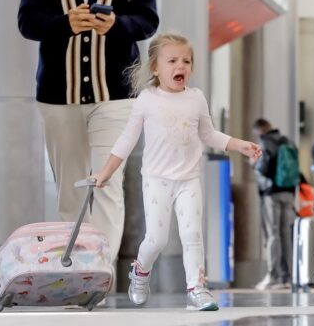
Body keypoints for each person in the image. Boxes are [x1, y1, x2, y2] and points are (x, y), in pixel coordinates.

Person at [18, 0, 158, 265]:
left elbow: (148, 19)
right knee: (71, 191)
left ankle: (100, 272)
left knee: (108, 185)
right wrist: (66, 22)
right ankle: (75, 271)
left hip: (116, 95)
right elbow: (27, 22)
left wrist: (116, 26)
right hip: (58, 97)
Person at [91, 33, 262, 310]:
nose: (180, 66)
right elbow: (126, 140)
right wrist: (105, 172)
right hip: (157, 180)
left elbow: (209, 134)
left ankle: (196, 288)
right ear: (156, 68)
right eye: (172, 60)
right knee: (156, 240)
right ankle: (140, 271)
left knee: (192, 235)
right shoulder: (146, 99)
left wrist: (238, 145)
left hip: (188, 180)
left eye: (186, 61)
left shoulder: (196, 98)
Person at [252, 119, 298, 290]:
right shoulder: (287, 141)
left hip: (271, 193)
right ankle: (289, 276)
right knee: (286, 233)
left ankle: (273, 275)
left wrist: (253, 164)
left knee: (273, 234)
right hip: (288, 192)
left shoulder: (265, 142)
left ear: (260, 130)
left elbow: (263, 168)